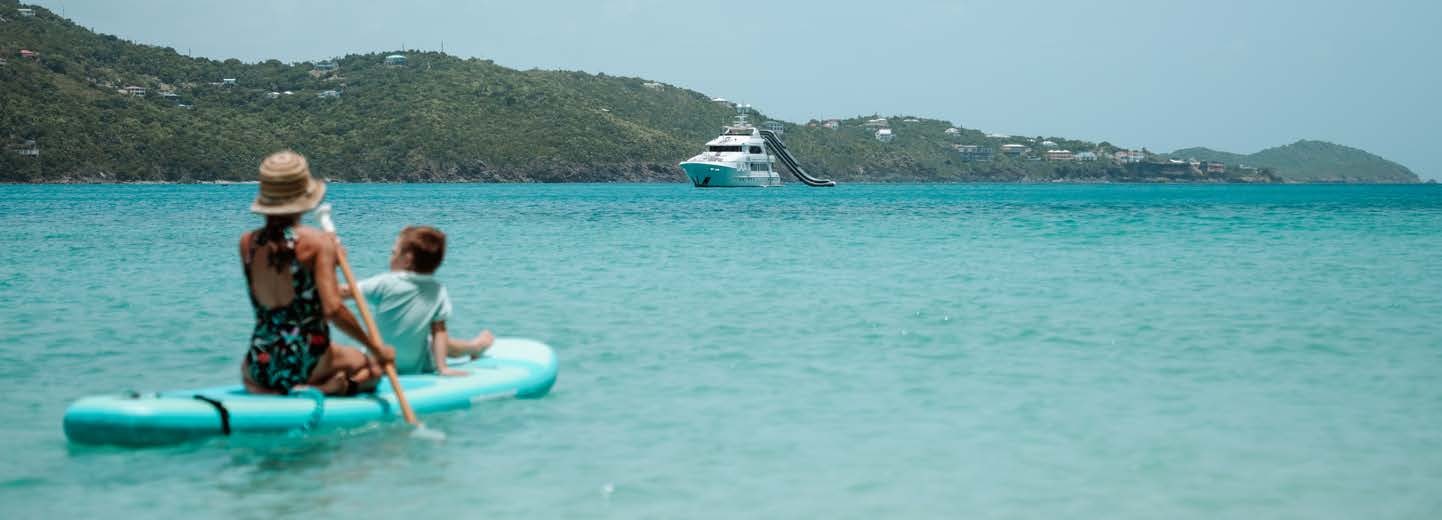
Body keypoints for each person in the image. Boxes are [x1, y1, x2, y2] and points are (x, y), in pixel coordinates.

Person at [240, 150, 395, 395]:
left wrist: (330, 260)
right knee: (374, 370)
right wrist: (375, 347)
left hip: (259, 361)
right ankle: (326, 389)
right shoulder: (319, 243)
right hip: (308, 360)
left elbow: (283, 274)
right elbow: (332, 309)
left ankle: (269, 391)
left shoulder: (247, 242)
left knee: (257, 376)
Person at [341, 226, 493, 376]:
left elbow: (342, 292)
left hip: (380, 364)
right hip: (416, 366)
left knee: (353, 353)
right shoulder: (438, 290)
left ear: (407, 260)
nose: (390, 257)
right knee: (441, 343)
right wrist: (442, 368)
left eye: (393, 253)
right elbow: (439, 332)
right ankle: (475, 347)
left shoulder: (384, 283)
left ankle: (476, 346)